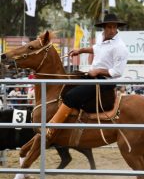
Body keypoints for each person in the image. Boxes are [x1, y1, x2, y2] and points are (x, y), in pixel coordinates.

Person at [45, 13, 129, 145]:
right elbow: (95, 49)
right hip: (94, 78)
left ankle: (51, 128)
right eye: (109, 27)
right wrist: (80, 50)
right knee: (68, 85)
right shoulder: (103, 40)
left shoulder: (120, 47)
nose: (112, 30)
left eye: (114, 27)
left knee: (71, 96)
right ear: (104, 28)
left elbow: (117, 72)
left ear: (117, 28)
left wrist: (98, 71)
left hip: (104, 82)